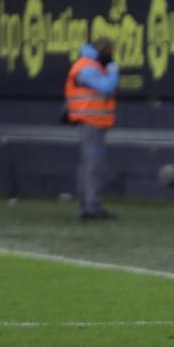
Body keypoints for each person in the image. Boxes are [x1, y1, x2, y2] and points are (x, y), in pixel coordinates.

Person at [65, 37, 120, 221]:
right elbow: (106, 86)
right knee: (92, 165)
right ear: (101, 50)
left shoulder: (91, 64)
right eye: (109, 50)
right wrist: (113, 71)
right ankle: (91, 207)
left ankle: (87, 205)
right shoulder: (86, 66)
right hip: (90, 121)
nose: (110, 55)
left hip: (94, 121)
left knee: (89, 164)